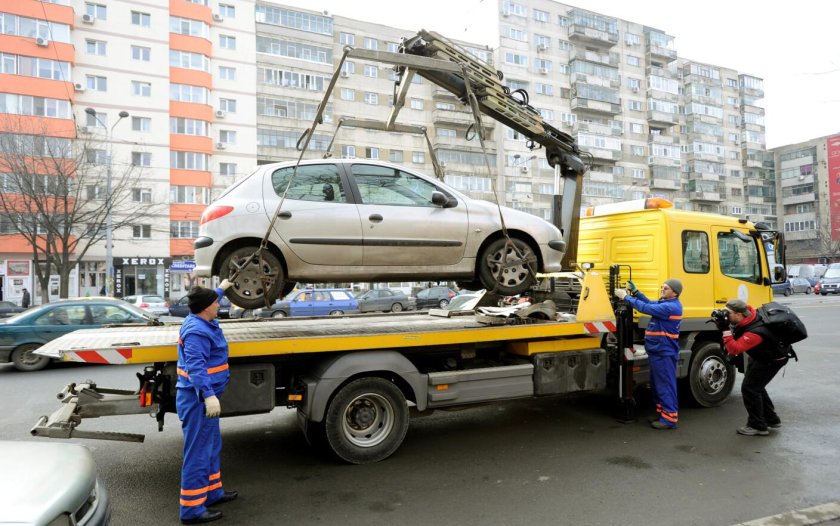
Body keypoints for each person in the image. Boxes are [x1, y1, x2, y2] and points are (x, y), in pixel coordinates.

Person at [176, 279, 237, 524]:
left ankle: (212, 493)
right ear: (205, 308)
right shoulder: (196, 332)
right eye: (216, 302)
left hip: (206, 399)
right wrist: (209, 396)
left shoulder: (203, 320)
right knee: (198, 453)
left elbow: (210, 298)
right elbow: (196, 368)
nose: (219, 304)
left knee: (211, 447)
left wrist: (222, 286)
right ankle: (191, 510)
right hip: (198, 400)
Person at [615, 279, 684, 430]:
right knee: (657, 384)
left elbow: (645, 308)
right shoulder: (665, 304)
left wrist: (626, 297)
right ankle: (662, 414)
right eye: (662, 287)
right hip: (658, 351)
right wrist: (636, 292)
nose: (662, 289)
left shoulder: (671, 307)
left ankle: (669, 419)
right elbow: (650, 303)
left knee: (665, 385)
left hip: (663, 352)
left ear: (675, 292)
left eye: (666, 288)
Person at [714, 298, 788, 436]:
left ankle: (758, 426)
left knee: (750, 389)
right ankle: (772, 420)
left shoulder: (755, 332)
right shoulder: (749, 316)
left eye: (727, 313)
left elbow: (735, 349)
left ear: (739, 314)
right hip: (762, 356)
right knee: (756, 387)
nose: (725, 315)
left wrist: (725, 329)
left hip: (771, 360)